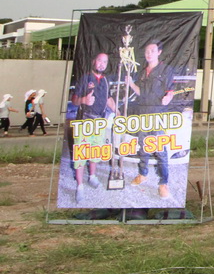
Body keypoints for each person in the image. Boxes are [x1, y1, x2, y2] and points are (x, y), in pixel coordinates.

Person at [124, 40, 176, 199]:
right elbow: (141, 93)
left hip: (158, 115)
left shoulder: (166, 70)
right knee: (143, 146)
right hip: (143, 114)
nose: (149, 54)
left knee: (160, 149)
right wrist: (131, 84)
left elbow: (171, 90)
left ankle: (163, 183)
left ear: (159, 52)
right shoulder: (142, 72)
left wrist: (168, 97)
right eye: (147, 51)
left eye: (152, 51)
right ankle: (143, 174)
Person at [70, 52, 116, 202]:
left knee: (95, 150)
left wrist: (118, 111)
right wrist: (84, 100)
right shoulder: (85, 78)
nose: (102, 64)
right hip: (84, 121)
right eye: (99, 61)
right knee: (81, 154)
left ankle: (92, 176)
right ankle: (79, 186)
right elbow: (74, 99)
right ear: (94, 61)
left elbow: (108, 98)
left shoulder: (105, 80)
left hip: (100, 122)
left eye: (105, 62)